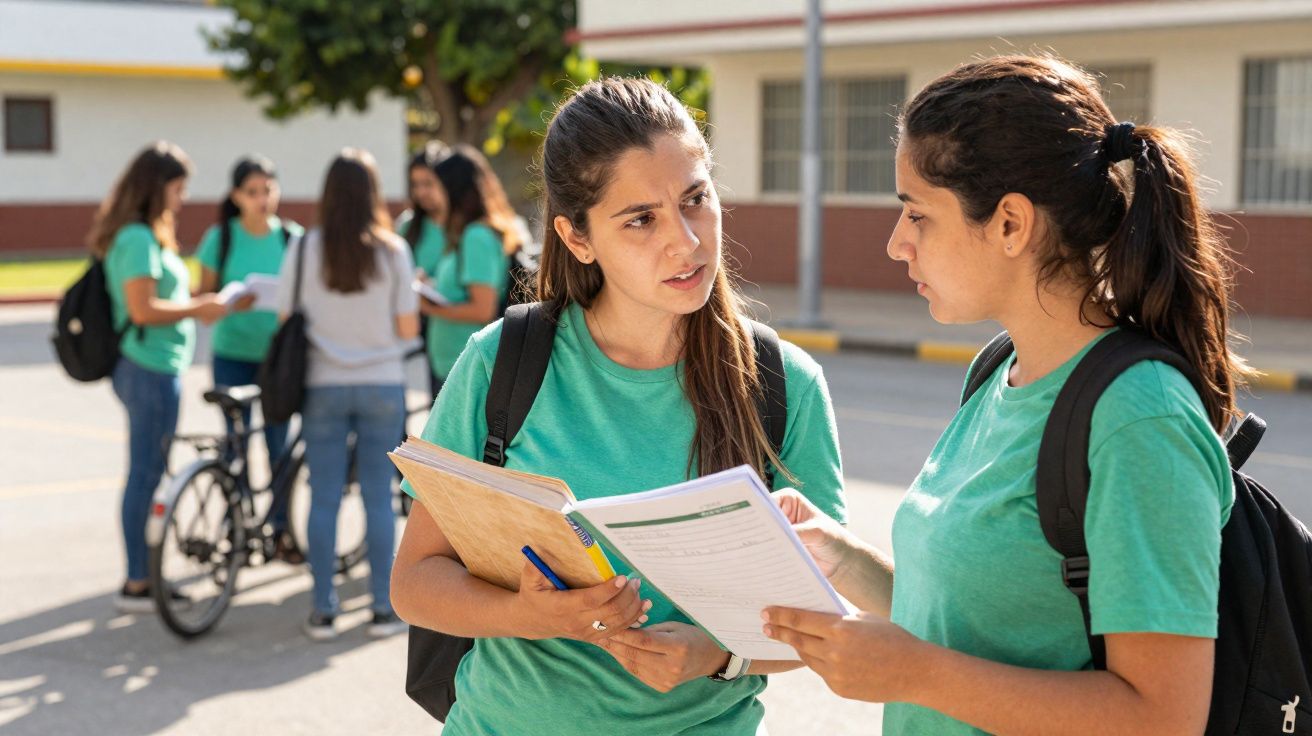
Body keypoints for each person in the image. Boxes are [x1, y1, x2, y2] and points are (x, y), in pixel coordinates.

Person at [761, 54, 1252, 735]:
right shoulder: (1001, 371)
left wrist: (913, 675)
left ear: (1011, 224)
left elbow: (1162, 716)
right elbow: (978, 625)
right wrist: (839, 555)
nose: (896, 244)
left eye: (917, 215)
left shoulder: (1140, 418)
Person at [390, 77, 847, 735]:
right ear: (578, 238)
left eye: (697, 199)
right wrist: (529, 615)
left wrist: (718, 656)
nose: (687, 242)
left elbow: (823, 620)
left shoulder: (783, 384)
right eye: (641, 219)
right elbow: (414, 583)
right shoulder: (503, 362)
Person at [278, 148, 419, 640]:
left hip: (322, 385)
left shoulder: (302, 249)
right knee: (380, 497)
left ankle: (323, 608)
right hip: (382, 381)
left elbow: (284, 319)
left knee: (324, 497)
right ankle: (382, 608)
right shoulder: (393, 251)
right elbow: (407, 326)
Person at [90, 142, 235, 612]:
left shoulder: (146, 234)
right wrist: (201, 306)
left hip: (155, 367)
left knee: (147, 473)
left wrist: (203, 303)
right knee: (145, 475)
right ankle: (137, 580)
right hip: (147, 369)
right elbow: (143, 308)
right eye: (178, 187)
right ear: (157, 187)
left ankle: (139, 574)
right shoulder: (136, 238)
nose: (183, 197)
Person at [197, 155, 305, 555]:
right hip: (232, 354)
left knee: (279, 443)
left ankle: (280, 529)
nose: (263, 199)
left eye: (268, 190)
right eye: (253, 192)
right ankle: (237, 526)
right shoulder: (220, 238)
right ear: (236, 196)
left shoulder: (293, 238)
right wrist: (230, 303)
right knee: (235, 444)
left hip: (278, 359)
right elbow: (203, 299)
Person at [416, 144, 521, 395]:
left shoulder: (477, 236)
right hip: (456, 367)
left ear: (453, 190)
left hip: (467, 371)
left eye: (437, 186)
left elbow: (482, 308)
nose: (432, 195)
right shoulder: (466, 233)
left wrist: (430, 307)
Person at [395, 141, 451, 399]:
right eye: (415, 185)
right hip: (415, 327)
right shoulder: (408, 226)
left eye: (428, 183)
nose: (421, 192)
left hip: (454, 325)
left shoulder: (464, 226)